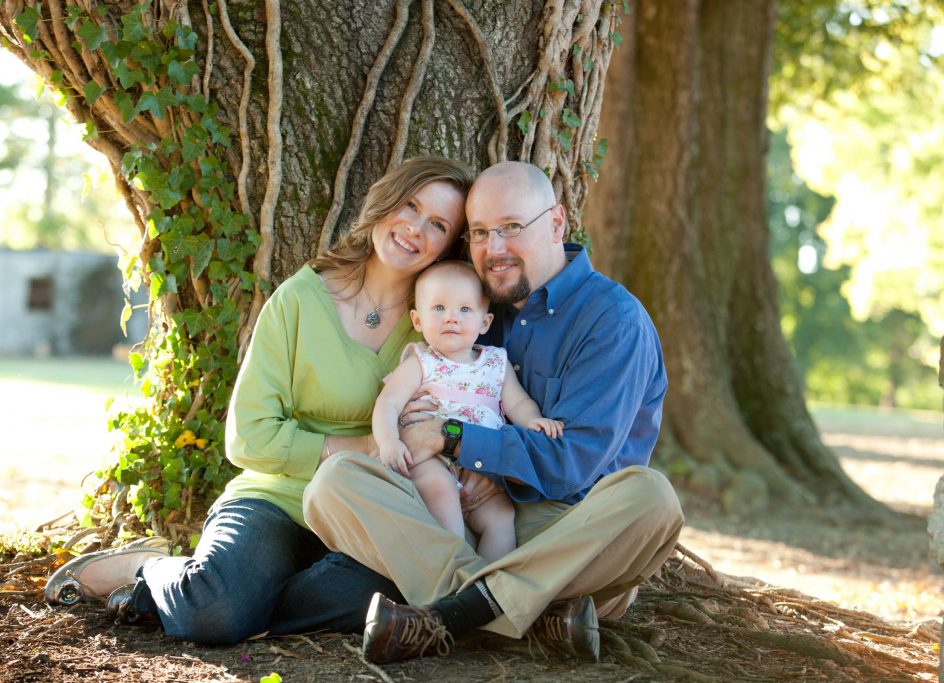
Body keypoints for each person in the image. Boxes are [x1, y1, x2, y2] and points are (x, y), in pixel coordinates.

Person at [43, 156, 474, 645]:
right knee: (216, 616)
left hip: (371, 515)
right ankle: (155, 567)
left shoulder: (445, 320)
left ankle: (217, 590)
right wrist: (371, 446)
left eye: (437, 224)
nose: (415, 228)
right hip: (275, 501)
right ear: (385, 202)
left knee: (384, 602)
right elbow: (248, 437)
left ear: (448, 246)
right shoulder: (300, 300)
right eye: (411, 205)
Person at [303, 161, 684, 664]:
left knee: (651, 498)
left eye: (511, 227)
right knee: (332, 486)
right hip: (458, 514)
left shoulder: (613, 322)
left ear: (556, 223)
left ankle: (450, 616)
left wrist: (457, 440)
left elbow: (571, 464)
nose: (494, 248)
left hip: (564, 534)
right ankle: (526, 617)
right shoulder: (477, 304)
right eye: (481, 232)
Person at [372, 260, 563, 562]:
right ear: (417, 320)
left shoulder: (495, 362)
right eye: (438, 308)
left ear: (484, 323)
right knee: (439, 489)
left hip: (482, 465)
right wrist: (388, 442)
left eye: (464, 310)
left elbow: (518, 404)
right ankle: (454, 564)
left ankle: (483, 585)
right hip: (434, 460)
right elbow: (388, 403)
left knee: (501, 517)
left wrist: (535, 421)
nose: (451, 318)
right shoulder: (421, 362)